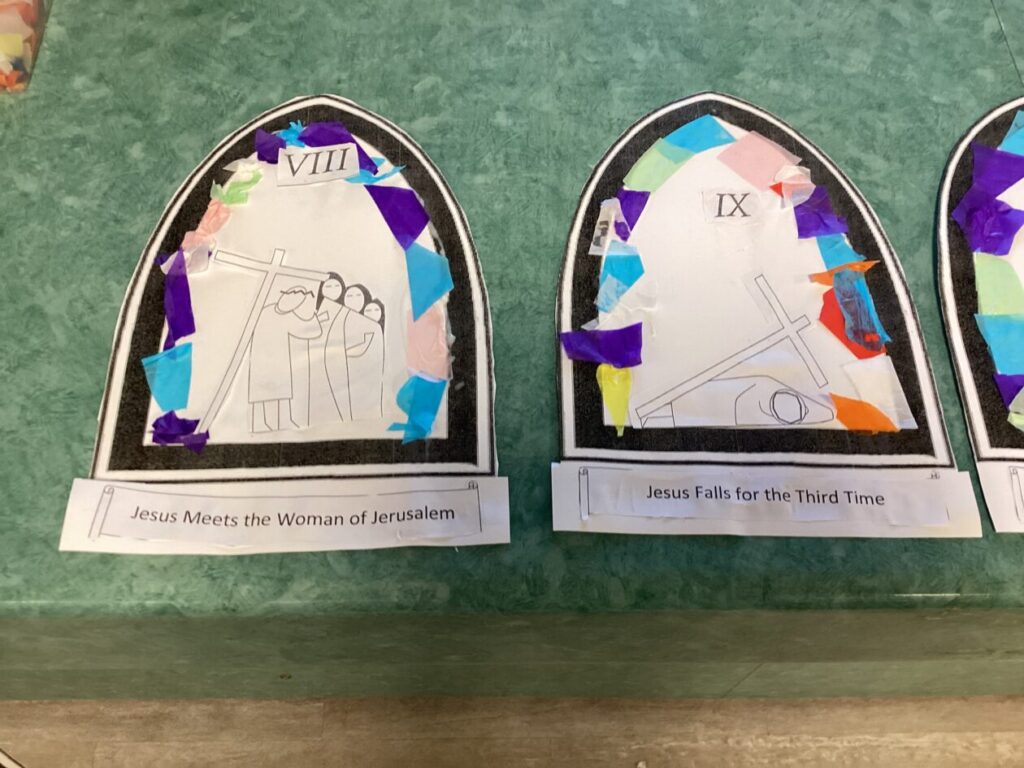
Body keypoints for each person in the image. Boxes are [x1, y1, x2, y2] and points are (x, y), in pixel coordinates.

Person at [249, 286, 324, 432]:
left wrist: (313, 317)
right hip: (261, 360)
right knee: (262, 392)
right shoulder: (264, 311)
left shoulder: (289, 316)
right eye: (291, 296)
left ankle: (283, 422)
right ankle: (259, 424)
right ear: (283, 294)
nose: (292, 302)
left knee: (281, 391)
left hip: (280, 361)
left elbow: (310, 331)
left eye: (297, 300)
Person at [326, 285, 385, 420]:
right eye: (350, 295)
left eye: (358, 295)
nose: (353, 299)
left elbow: (365, 345)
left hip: (363, 372)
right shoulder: (343, 316)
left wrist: (342, 352)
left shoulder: (370, 323)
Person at [309, 272, 350, 424]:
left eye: (335, 286)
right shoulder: (317, 309)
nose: (332, 289)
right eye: (328, 286)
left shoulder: (345, 311)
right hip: (317, 356)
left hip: (339, 357)